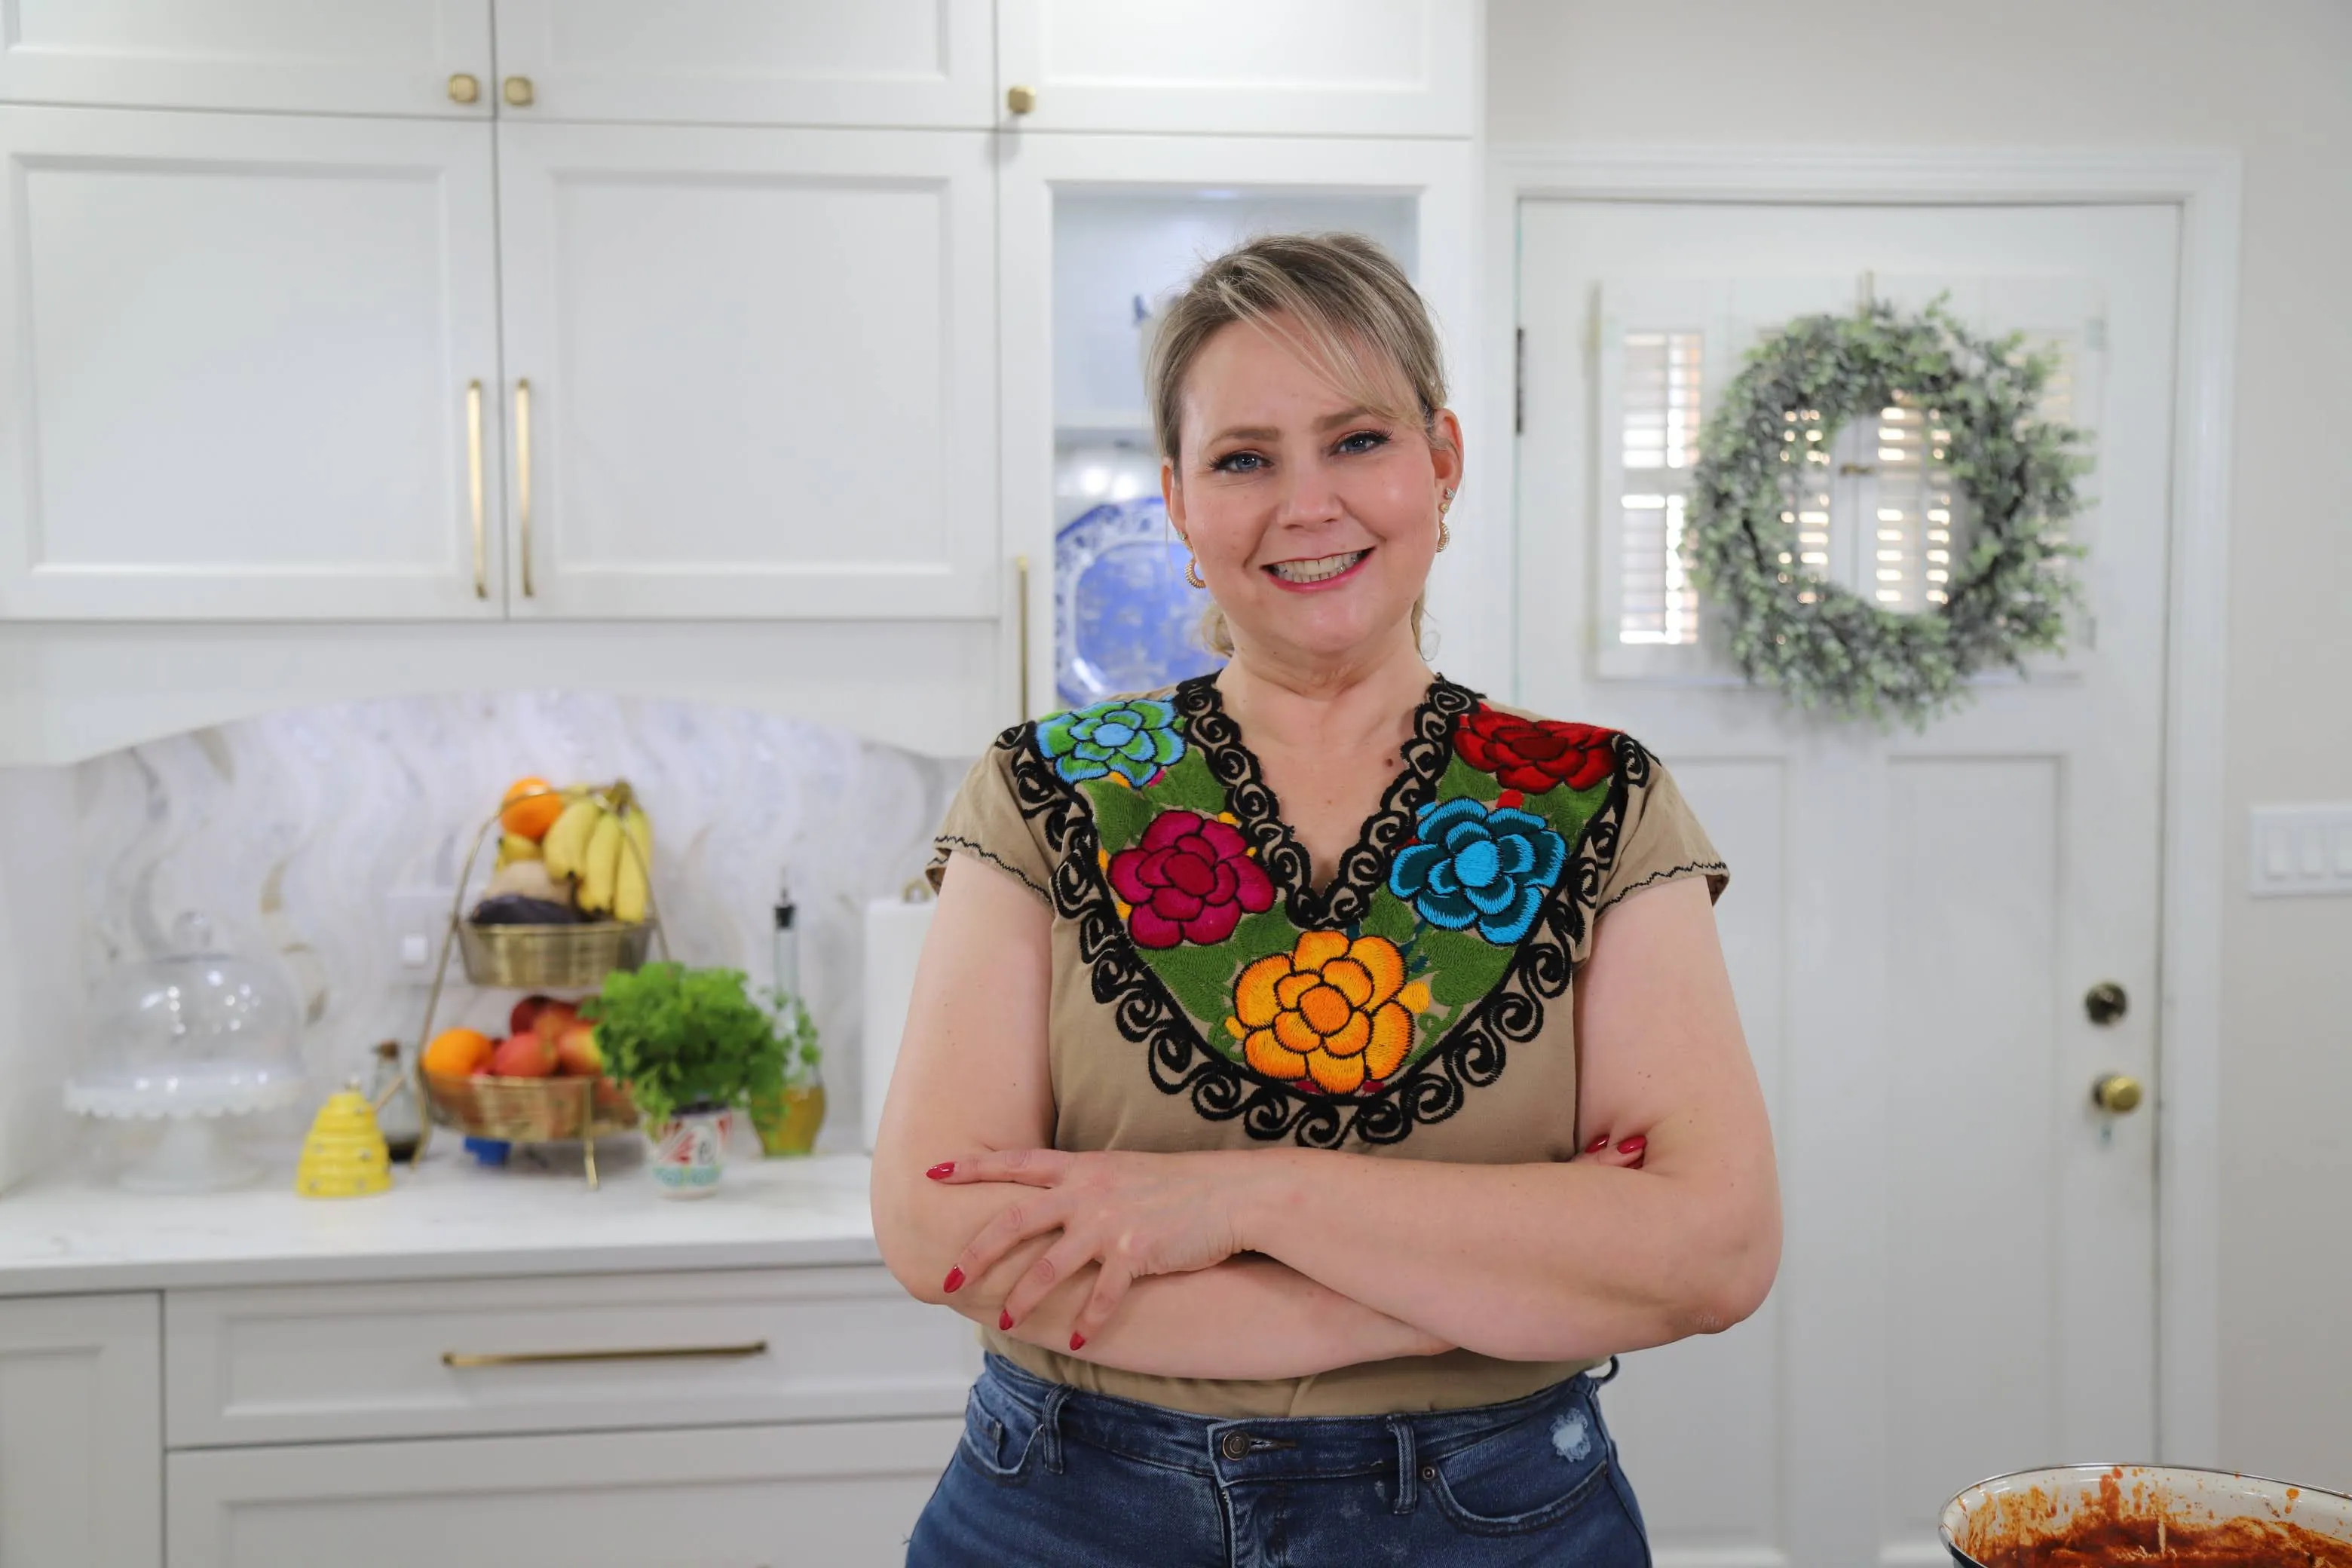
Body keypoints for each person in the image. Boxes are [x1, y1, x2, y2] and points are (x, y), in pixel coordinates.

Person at [872, 232, 1779, 1566]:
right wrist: (1467, 1295)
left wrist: (1242, 1204)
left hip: (1495, 1521)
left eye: (1357, 440)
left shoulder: (1598, 799)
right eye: (1244, 459)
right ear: (1178, 501)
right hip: (1062, 1511)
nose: (1308, 503)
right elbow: (945, 1231)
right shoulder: (1043, 791)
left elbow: (1710, 1250)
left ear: (1443, 461)